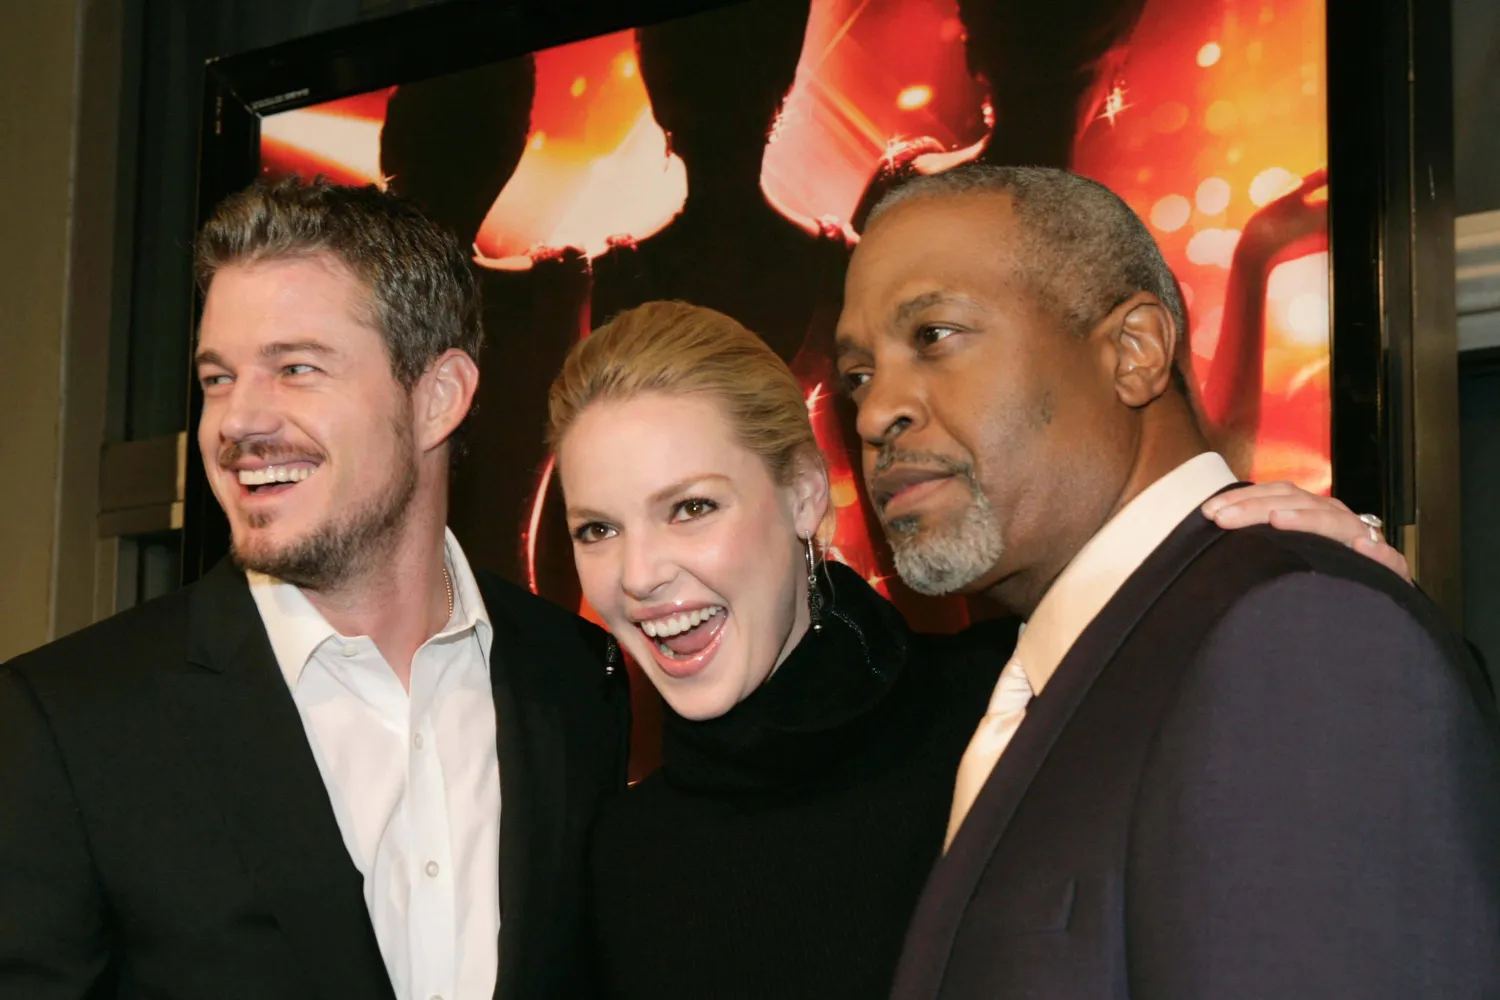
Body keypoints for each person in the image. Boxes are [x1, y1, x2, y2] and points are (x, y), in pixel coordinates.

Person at [546, 301, 1412, 999]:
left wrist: (1352, 576)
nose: (638, 574)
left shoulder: (1020, 703)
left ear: (805, 494)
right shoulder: (623, 857)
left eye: (691, 507)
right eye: (597, 528)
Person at [830, 164, 1500, 999]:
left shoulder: (1299, 640)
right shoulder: (1066, 670)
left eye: (933, 335)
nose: (872, 412)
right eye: (857, 375)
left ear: (1136, 351)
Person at [0, 179, 629, 1000]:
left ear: (438, 397)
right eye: (218, 378)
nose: (235, 422)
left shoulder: (581, 678)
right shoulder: (65, 725)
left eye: (295, 367)